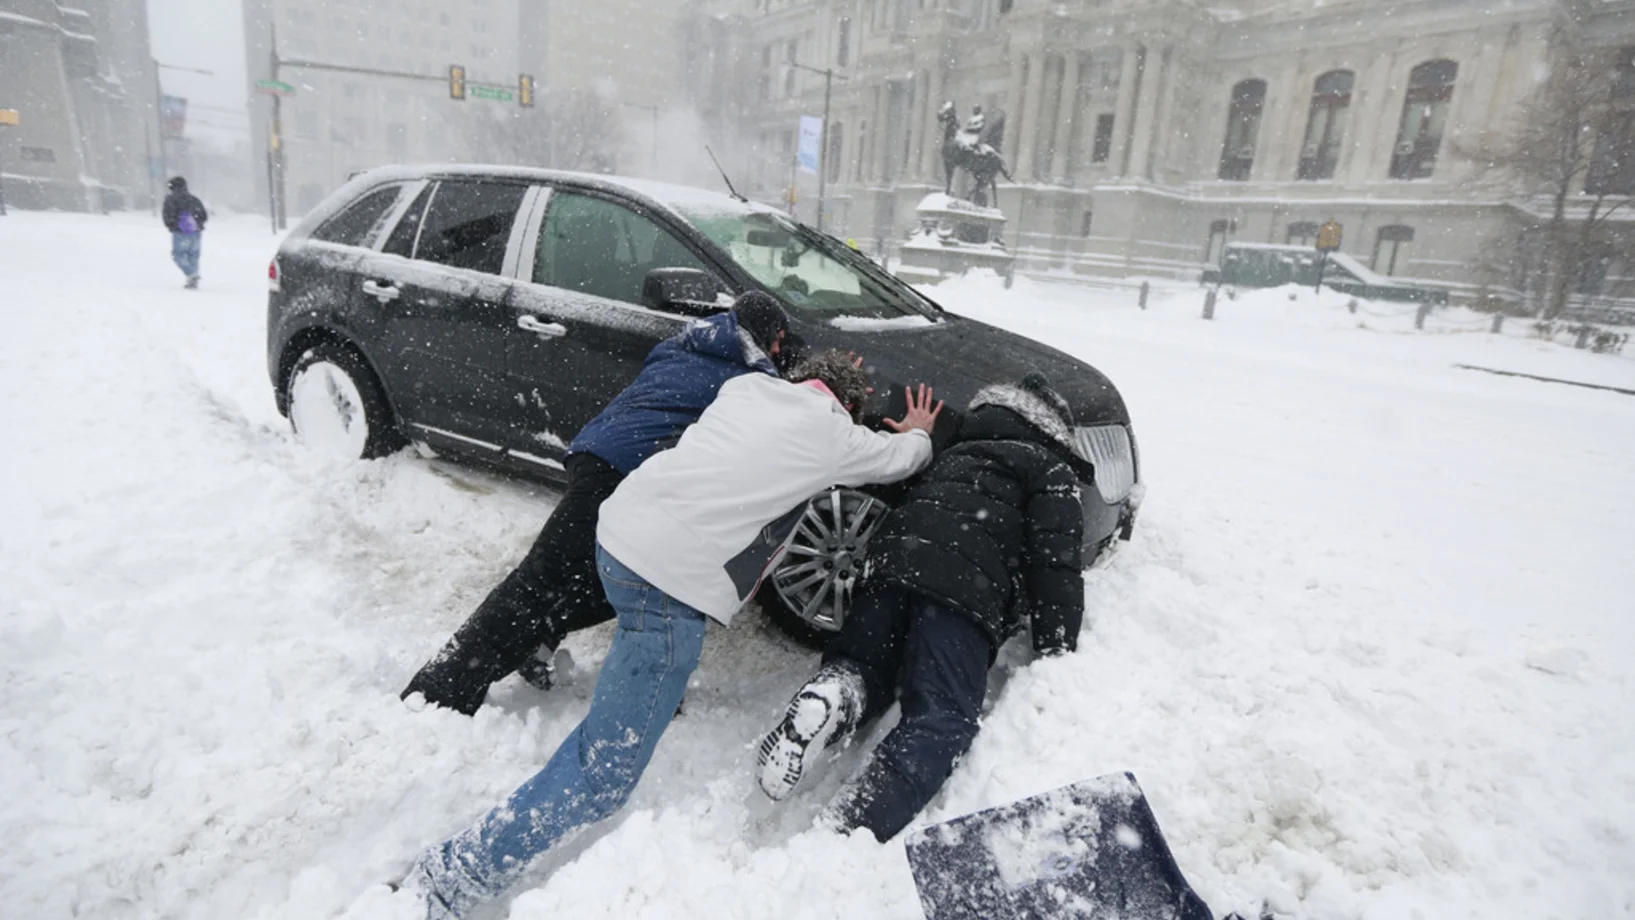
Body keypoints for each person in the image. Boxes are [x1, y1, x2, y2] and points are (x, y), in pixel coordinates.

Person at [396, 351, 943, 919]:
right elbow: (901, 458)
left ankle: (593, 672)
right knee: (603, 773)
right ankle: (451, 878)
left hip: (618, 537)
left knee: (627, 638)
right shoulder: (835, 436)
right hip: (670, 584)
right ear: (848, 407)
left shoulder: (749, 389)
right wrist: (919, 433)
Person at [402, 292, 799, 716]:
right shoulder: (750, 378)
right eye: (778, 340)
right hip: (621, 471)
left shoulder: (684, 344)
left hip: (599, 453)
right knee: (538, 582)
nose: (779, 350)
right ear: (768, 337)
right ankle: (438, 692)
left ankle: (539, 637)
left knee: (617, 582)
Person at [755, 373, 1087, 843]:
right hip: (964, 586)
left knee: (866, 664)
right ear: (1053, 429)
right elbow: (1057, 567)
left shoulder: (957, 451)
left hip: (890, 562)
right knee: (941, 718)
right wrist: (1058, 649)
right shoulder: (1050, 469)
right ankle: (848, 831)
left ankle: (834, 695)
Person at [161, 176, 208, 289]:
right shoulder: (194, 199)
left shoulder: (170, 199)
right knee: (193, 255)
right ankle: (193, 279)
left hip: (180, 231)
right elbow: (204, 215)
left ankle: (191, 274)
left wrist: (172, 225)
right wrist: (196, 223)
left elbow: (167, 216)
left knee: (178, 255)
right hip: (196, 232)